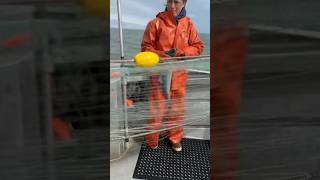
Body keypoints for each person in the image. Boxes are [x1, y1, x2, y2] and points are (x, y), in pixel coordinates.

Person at [140, 0, 204, 152]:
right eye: (170, 1)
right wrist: (163, 55)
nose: (173, 6)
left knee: (177, 110)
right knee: (155, 109)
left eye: (177, 2)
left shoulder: (188, 24)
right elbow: (145, 48)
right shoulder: (154, 23)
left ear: (184, 3)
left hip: (179, 76)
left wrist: (183, 52)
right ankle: (151, 140)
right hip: (158, 75)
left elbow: (198, 46)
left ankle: (175, 138)